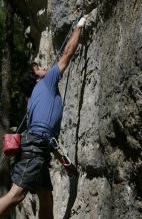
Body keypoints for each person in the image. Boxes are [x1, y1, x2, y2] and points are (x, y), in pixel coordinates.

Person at [0, 15, 87, 219]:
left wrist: (64, 163)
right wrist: (79, 25)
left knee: (46, 198)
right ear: (36, 75)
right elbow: (67, 54)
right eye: (39, 67)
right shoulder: (46, 83)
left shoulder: (34, 102)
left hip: (37, 148)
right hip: (35, 149)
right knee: (16, 195)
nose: (43, 68)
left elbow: (45, 135)